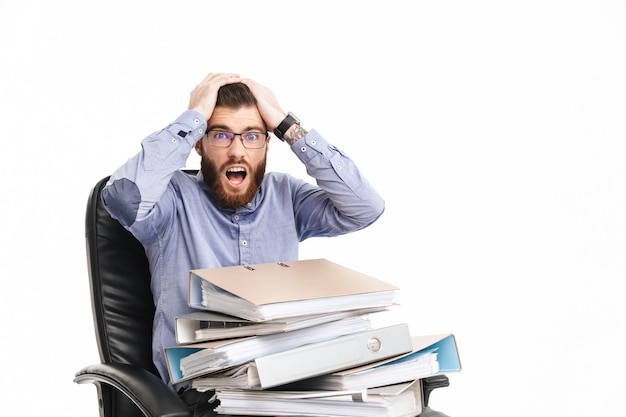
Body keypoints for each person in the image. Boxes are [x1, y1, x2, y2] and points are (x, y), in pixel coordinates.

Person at [102, 72, 385, 413]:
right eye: (220, 135)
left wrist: (285, 124)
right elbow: (122, 199)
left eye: (251, 136)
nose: (237, 151)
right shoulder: (171, 199)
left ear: (267, 143)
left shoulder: (287, 196)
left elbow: (365, 208)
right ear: (199, 143)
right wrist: (193, 116)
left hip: (286, 388)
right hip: (206, 396)